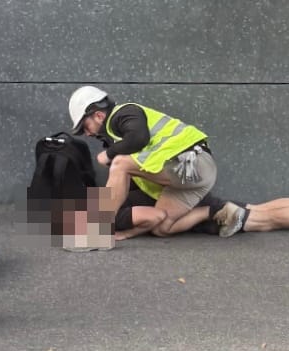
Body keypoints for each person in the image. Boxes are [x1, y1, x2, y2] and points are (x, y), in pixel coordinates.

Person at [68, 85, 218, 238]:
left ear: (99, 116)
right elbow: (127, 182)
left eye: (85, 127)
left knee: (120, 163)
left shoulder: (123, 113)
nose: (86, 134)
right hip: (191, 178)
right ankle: (212, 211)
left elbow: (139, 138)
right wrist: (126, 233)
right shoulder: (118, 137)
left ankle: (97, 230)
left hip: (193, 162)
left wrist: (109, 154)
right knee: (161, 227)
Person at [113, 183, 289, 242]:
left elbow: (155, 217)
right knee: (261, 208)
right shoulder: (113, 193)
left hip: (208, 213)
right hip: (200, 199)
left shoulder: (111, 216)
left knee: (268, 221)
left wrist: (127, 232)